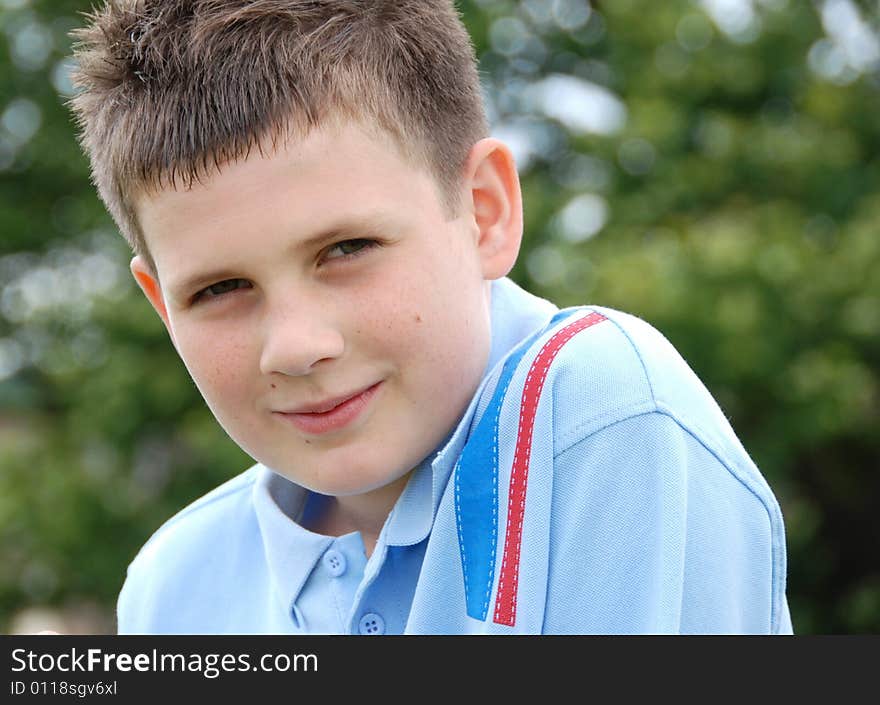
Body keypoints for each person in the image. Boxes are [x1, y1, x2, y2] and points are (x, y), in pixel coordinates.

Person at [68, 0, 793, 634]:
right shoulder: (173, 585)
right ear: (163, 307)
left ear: (484, 211)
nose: (294, 347)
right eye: (220, 289)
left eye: (346, 248)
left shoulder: (601, 414)